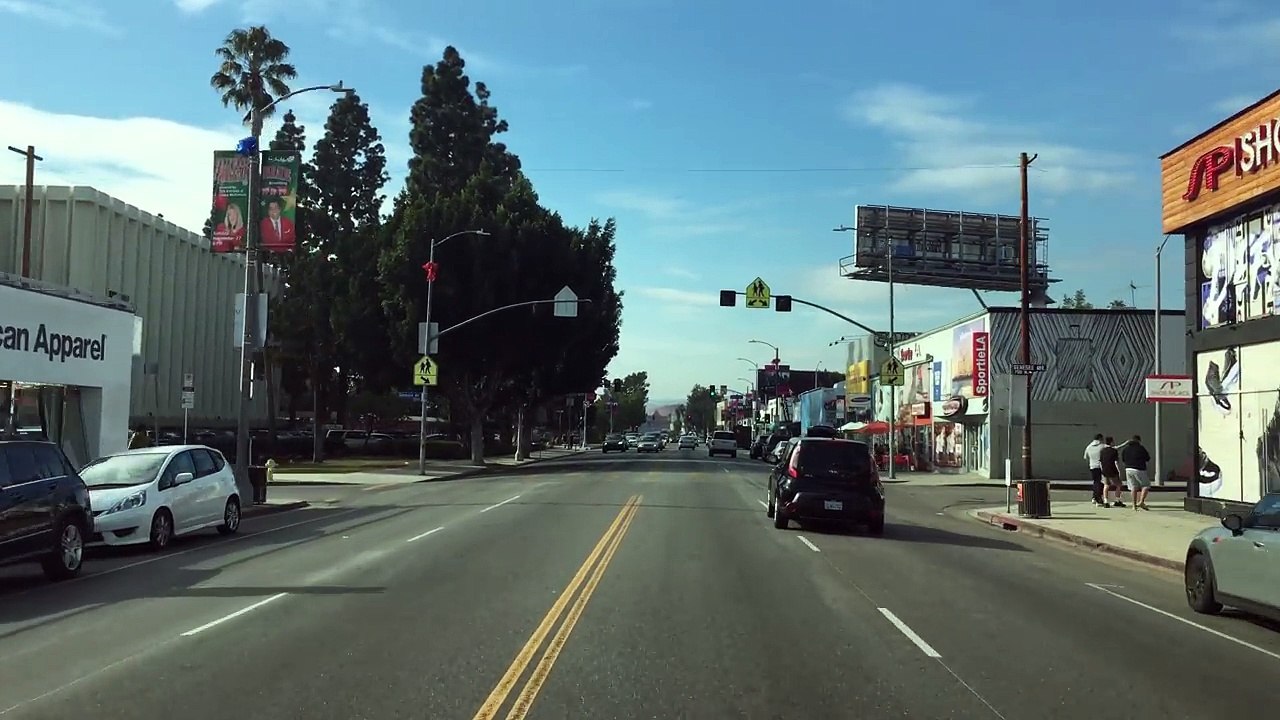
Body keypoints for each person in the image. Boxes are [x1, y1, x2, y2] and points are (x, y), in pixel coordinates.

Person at [1121, 434, 1152, 510]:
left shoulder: (1126, 449)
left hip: (1128, 469)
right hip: (1139, 469)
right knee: (1146, 485)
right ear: (1139, 441)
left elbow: (1123, 459)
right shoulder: (1141, 448)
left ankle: (1134, 505)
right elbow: (1147, 458)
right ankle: (1141, 501)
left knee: (1133, 487)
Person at [1099, 436, 1125, 508]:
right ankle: (1117, 500)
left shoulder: (1102, 451)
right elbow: (1116, 462)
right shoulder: (1114, 451)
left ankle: (1106, 501)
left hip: (1105, 470)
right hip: (1113, 469)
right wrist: (1119, 471)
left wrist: (1102, 470)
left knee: (1106, 485)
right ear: (1111, 442)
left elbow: (1100, 462)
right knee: (1118, 485)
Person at [1084, 433, 1105, 506]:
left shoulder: (1089, 447)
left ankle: (1094, 497)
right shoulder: (1102, 446)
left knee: (1095, 482)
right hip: (1100, 466)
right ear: (1100, 439)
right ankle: (1098, 498)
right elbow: (1113, 448)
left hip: (1092, 466)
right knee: (1100, 483)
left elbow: (1085, 457)